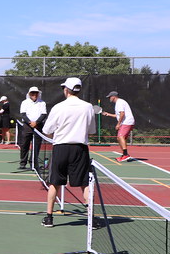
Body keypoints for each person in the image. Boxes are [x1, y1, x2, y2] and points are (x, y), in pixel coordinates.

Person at [40, 77, 97, 228]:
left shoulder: (58, 107)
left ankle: (49, 218)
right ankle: (92, 219)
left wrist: (58, 136)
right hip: (80, 149)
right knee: (85, 184)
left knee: (55, 183)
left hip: (60, 148)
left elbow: (46, 130)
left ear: (66, 90)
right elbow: (91, 130)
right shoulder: (88, 107)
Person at [17, 87, 47, 170]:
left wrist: (36, 123)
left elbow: (43, 114)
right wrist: (30, 123)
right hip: (27, 126)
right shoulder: (24, 102)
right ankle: (23, 163)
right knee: (24, 145)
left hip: (38, 126)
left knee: (36, 146)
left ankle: (33, 163)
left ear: (38, 94)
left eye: (36, 93)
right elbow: (23, 114)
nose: (34, 95)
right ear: (29, 94)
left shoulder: (42, 103)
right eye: (32, 93)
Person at [102, 91, 135, 162]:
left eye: (110, 97)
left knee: (120, 137)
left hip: (126, 122)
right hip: (127, 122)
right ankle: (125, 154)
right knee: (119, 138)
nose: (109, 98)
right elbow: (118, 115)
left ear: (114, 96)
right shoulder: (119, 103)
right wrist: (108, 114)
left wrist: (118, 124)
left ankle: (125, 155)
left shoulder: (119, 102)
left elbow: (122, 114)